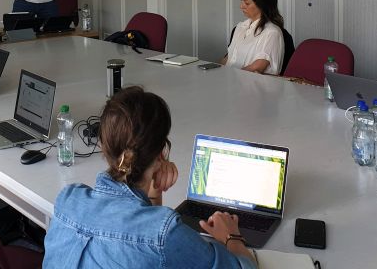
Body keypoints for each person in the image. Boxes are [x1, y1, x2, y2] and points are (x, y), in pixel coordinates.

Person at [43, 86, 256, 269]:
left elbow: (144, 232)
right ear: (162, 151)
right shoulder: (165, 233)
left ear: (103, 145)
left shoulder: (68, 199)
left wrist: (155, 189)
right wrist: (232, 237)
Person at [220, 0, 285, 74]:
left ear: (262, 4)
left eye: (247, 3)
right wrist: (216, 71)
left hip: (251, 82)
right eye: (242, 1)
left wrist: (229, 78)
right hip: (231, 79)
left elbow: (257, 68)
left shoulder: (272, 32)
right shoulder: (240, 27)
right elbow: (229, 58)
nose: (241, 6)